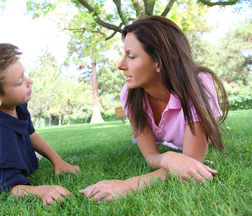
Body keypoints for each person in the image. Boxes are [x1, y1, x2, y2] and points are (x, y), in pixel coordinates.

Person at [80, 16, 228, 201]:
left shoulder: (199, 84)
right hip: (166, 142)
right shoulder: (129, 93)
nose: (120, 65)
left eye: (131, 56)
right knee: (142, 141)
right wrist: (167, 158)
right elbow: (151, 156)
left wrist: (128, 185)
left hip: (193, 138)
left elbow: (191, 164)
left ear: (159, 61)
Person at [0, 43, 80, 205]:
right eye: (20, 81)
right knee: (12, 163)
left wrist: (57, 161)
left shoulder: (11, 103)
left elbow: (30, 133)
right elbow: (10, 186)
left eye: (25, 75)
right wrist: (44, 190)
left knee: (29, 155)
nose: (30, 81)